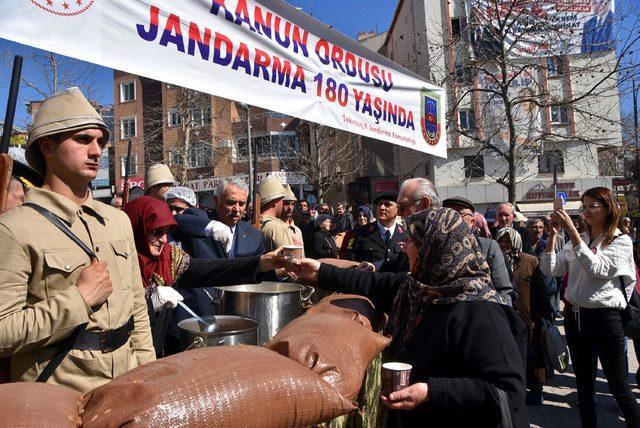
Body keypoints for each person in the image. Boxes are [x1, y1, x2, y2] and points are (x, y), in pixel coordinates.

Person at [296, 208, 528, 427]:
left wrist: (430, 392)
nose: (404, 246)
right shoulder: (418, 290)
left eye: (411, 241)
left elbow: (507, 391)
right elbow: (372, 283)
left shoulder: (481, 310)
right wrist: (318, 271)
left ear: (433, 248)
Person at [0, 87, 154, 392]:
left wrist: (147, 376)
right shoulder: (14, 229)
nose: (97, 151)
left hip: (125, 387)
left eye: (100, 141)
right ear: (47, 146)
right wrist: (78, 300)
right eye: (83, 140)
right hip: (57, 395)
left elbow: (137, 308)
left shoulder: (117, 221)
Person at [123, 196, 286, 356]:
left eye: (166, 232)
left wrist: (262, 263)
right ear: (137, 229)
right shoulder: (119, 264)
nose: (164, 239)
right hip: (123, 356)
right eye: (157, 232)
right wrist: (149, 303)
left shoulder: (168, 258)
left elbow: (211, 270)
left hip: (155, 353)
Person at [540, 187, 640, 427]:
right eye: (584, 206)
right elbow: (551, 269)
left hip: (606, 319)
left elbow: (598, 269)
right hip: (576, 317)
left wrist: (572, 231)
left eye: (592, 205)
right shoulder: (582, 238)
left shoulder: (621, 240)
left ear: (608, 208)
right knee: (584, 386)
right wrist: (553, 236)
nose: (586, 211)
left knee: (619, 387)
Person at [496, 227, 553, 406]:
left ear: (516, 242)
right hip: (503, 317)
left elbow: (541, 291)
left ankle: (536, 389)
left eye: (508, 241)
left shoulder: (530, 261)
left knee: (533, 355)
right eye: (501, 241)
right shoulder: (492, 262)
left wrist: (544, 317)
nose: (505, 245)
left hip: (529, 318)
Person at [443, 197, 516, 304]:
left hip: (483, 312)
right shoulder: (434, 248)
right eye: (447, 215)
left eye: (459, 215)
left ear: (472, 222)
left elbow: (503, 289)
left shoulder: (488, 246)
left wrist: (505, 316)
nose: (452, 219)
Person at [353, 191, 407, 272]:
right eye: (379, 204)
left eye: (387, 204)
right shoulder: (361, 232)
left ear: (398, 209)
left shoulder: (405, 234)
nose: (381, 207)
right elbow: (351, 262)